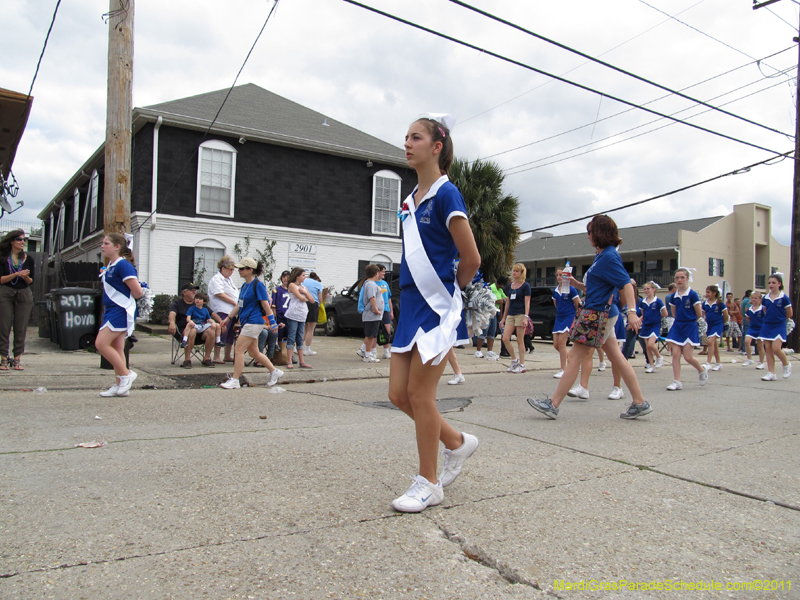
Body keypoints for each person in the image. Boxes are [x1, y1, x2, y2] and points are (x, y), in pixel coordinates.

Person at [387, 115, 481, 513]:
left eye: (416, 137)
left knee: (420, 395)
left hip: (437, 308)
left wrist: (451, 294)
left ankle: (429, 484)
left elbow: (472, 259)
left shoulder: (447, 194)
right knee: (398, 394)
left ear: (436, 146)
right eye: (406, 137)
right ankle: (457, 443)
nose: (407, 143)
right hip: (409, 305)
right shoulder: (409, 201)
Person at [528, 215, 652, 420]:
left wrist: (631, 312)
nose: (588, 237)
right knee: (617, 357)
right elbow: (597, 287)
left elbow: (626, 284)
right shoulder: (602, 256)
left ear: (599, 233)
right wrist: (576, 284)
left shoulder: (610, 257)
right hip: (600, 312)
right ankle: (639, 402)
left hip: (597, 314)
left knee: (575, 356)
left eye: (590, 232)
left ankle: (553, 404)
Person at [219, 257, 283, 389]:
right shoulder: (244, 286)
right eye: (239, 268)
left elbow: (266, 305)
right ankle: (274, 371)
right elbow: (239, 305)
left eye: (242, 268)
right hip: (247, 322)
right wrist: (228, 318)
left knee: (238, 350)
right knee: (254, 353)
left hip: (254, 322)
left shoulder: (257, 285)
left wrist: (273, 322)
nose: (239, 271)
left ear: (250, 270)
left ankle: (235, 379)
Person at [95, 233, 143, 397]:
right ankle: (120, 385)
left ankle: (126, 375)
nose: (102, 246)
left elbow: (137, 292)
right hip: (111, 310)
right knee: (117, 347)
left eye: (106, 243)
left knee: (101, 344)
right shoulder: (111, 265)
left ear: (117, 247)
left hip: (121, 310)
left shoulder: (123, 265)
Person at [664, 268, 709, 391]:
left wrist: (691, 321)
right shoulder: (673, 297)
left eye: (682, 277)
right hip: (678, 326)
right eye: (677, 278)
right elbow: (674, 313)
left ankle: (701, 369)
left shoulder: (693, 295)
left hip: (690, 326)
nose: (679, 280)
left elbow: (699, 313)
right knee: (676, 354)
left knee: (688, 357)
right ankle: (677, 381)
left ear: (687, 279)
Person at [0, 229, 35, 371]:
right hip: (5, 292)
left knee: (21, 327)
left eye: (24, 240)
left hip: (23, 293)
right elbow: (1, 280)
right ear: (11, 241)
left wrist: (24, 276)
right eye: (19, 239)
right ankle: (3, 358)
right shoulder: (2, 257)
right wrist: (15, 274)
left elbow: (31, 281)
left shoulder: (28, 259)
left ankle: (17, 359)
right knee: (4, 325)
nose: (22, 242)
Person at [168, 283, 218, 368]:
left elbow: (212, 314)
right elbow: (172, 314)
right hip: (184, 333)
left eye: (195, 290)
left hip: (201, 331)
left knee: (211, 330)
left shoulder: (200, 304)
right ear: (184, 293)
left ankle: (206, 359)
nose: (195, 292)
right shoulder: (178, 304)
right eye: (192, 290)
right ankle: (187, 360)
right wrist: (172, 323)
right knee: (192, 330)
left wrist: (222, 323)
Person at [758, 273, 793, 381]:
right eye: (769, 283)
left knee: (776, 348)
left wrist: (780, 319)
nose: (771, 285)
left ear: (779, 284)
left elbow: (789, 313)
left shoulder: (784, 298)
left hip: (779, 325)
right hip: (767, 325)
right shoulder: (765, 298)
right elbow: (765, 311)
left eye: (774, 283)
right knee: (768, 349)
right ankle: (771, 373)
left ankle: (786, 364)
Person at [499, 263, 531, 374]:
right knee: (505, 338)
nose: (514, 273)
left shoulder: (525, 286)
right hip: (511, 315)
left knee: (519, 339)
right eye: (514, 270)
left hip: (520, 314)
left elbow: (527, 302)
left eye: (517, 271)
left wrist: (526, 317)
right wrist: (503, 318)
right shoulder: (510, 286)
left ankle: (522, 364)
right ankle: (514, 360)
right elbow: (508, 302)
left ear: (522, 273)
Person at [207, 256, 239, 363]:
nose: (231, 272)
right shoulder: (216, 279)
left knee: (230, 334)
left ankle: (227, 355)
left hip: (231, 311)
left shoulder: (229, 280)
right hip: (222, 310)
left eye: (233, 270)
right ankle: (217, 356)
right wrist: (234, 302)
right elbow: (219, 294)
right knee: (221, 332)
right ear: (223, 268)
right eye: (230, 269)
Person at [552, 268, 580, 379]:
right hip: (559, 317)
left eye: (562, 275)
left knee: (562, 343)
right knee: (556, 345)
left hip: (569, 317)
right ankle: (574, 361)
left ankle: (563, 369)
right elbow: (556, 304)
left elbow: (577, 304)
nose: (559, 277)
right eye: (558, 275)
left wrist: (574, 317)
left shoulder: (571, 289)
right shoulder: (555, 291)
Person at [284, 267, 315, 369]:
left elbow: (312, 300)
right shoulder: (292, 285)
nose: (304, 277)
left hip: (302, 315)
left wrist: (305, 293)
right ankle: (289, 361)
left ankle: (302, 361)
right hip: (294, 314)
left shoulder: (303, 287)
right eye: (303, 275)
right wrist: (304, 296)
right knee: (291, 337)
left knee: (300, 338)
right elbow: (300, 298)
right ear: (297, 276)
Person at [638, 281, 667, 374]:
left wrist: (656, 317)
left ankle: (659, 356)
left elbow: (665, 313)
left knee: (651, 344)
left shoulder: (658, 301)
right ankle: (651, 365)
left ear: (654, 289)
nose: (646, 290)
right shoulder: (643, 302)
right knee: (648, 347)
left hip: (655, 325)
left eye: (648, 289)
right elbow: (643, 313)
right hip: (646, 325)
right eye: (645, 289)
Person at [475, 276, 506, 359]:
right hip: (487, 311)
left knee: (492, 331)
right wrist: (499, 300)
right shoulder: (491, 288)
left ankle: (489, 351)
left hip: (495, 312)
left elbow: (505, 299)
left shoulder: (500, 290)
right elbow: (495, 300)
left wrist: (501, 301)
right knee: (484, 330)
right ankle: (478, 351)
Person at [702, 285, 728, 372]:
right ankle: (718, 363)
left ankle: (708, 362)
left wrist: (721, 323)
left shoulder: (720, 303)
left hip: (718, 324)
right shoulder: (705, 304)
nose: (707, 294)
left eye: (708, 292)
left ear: (714, 293)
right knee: (714, 344)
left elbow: (726, 315)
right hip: (710, 325)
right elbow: (705, 314)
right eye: (706, 292)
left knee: (710, 342)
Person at [361, 264, 384, 363]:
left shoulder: (370, 284)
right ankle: (367, 355)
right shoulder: (371, 284)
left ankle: (366, 352)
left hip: (372, 315)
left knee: (370, 334)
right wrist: (376, 309)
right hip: (372, 315)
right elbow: (372, 297)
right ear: (376, 274)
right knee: (370, 335)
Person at [742, 291, 766, 368]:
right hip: (752, 327)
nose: (754, 299)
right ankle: (749, 359)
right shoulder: (749, 309)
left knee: (760, 345)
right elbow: (748, 317)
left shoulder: (762, 308)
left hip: (761, 328)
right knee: (746, 341)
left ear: (760, 299)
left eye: (756, 298)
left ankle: (761, 362)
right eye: (752, 298)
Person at [303, 272, 324, 356]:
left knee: (304, 328)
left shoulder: (303, 281)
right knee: (311, 329)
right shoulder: (318, 284)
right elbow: (320, 299)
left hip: (303, 303)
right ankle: (307, 349)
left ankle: (298, 348)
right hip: (313, 304)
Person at [376, 265, 394, 359]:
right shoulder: (371, 283)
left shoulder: (385, 284)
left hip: (386, 309)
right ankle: (372, 351)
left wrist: (391, 311)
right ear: (377, 272)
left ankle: (386, 351)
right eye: (382, 271)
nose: (384, 273)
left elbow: (389, 298)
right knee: (375, 331)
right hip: (376, 310)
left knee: (387, 330)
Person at [739, 290, 752, 355]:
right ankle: (745, 349)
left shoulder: (744, 300)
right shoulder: (748, 301)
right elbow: (747, 310)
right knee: (747, 334)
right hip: (747, 318)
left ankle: (742, 348)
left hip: (743, 317)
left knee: (744, 333)